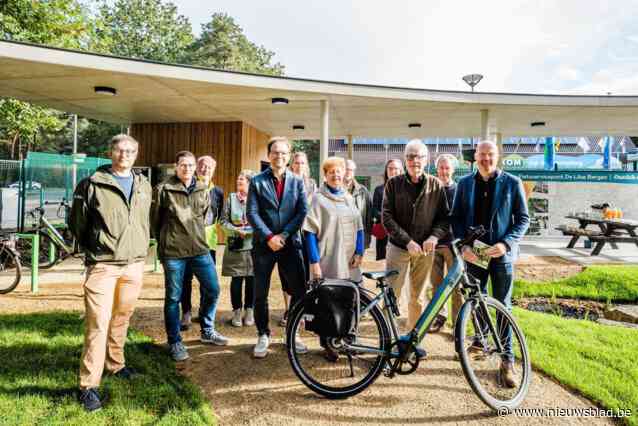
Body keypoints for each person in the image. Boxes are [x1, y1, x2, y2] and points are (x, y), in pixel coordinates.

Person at [70, 134, 152, 412]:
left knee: (121, 317)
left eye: (130, 150)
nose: (124, 154)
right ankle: (88, 386)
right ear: (110, 152)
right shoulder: (92, 183)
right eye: (119, 149)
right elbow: (78, 222)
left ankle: (115, 365)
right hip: (103, 264)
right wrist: (94, 248)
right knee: (98, 323)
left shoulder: (144, 184)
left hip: (134, 263)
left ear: (136, 153)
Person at [450, 140, 530, 388]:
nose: (486, 159)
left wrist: (506, 244)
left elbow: (523, 219)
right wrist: (463, 246)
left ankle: (507, 360)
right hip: (475, 255)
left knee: (503, 306)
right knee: (477, 301)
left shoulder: (512, 183)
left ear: (498, 157)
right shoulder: (464, 184)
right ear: (475, 157)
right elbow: (456, 219)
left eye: (490, 155)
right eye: (482, 154)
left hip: (500, 255)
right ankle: (481, 341)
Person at [152, 151, 229, 362]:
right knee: (173, 298)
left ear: (195, 168)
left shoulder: (203, 189)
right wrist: (165, 243)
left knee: (213, 289)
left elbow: (203, 216)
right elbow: (155, 222)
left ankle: (207, 329)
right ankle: (175, 340)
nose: (187, 169)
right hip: (173, 252)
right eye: (183, 165)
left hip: (199, 249)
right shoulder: (163, 189)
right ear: (176, 167)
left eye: (190, 165)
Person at [247, 136, 308, 358]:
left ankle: (293, 333)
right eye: (275, 152)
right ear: (269, 155)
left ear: (288, 155)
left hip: (290, 244)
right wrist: (269, 236)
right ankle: (263, 334)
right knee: (260, 292)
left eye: (283, 152)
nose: (279, 156)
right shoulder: (257, 181)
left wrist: (283, 235)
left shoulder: (297, 181)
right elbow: (252, 213)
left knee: (298, 291)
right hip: (264, 246)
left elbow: (302, 212)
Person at [382, 140, 450, 330]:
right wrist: (407, 241)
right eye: (410, 156)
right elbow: (386, 217)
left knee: (417, 297)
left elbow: (444, 218)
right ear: (405, 160)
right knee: (391, 295)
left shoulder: (436, 185)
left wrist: (434, 237)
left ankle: (413, 339)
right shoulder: (393, 184)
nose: (415, 161)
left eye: (419, 156)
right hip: (398, 248)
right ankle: (387, 340)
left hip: (424, 251)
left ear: (426, 160)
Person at [180, 156, 223, 331]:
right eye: (202, 166)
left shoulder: (218, 191)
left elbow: (218, 214)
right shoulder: (189, 187)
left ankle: (204, 311)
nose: (205, 169)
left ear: (214, 170)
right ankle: (186, 313)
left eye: (209, 167)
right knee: (186, 279)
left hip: (208, 243)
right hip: (188, 241)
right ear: (197, 168)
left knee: (208, 282)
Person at [304, 156, 364, 281]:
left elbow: (359, 228)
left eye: (338, 171)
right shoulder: (317, 199)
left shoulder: (349, 198)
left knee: (352, 295)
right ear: (325, 175)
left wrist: (359, 252)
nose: (335, 175)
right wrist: (314, 263)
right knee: (330, 296)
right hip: (328, 260)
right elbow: (309, 233)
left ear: (343, 173)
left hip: (350, 260)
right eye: (331, 172)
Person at [279, 152, 318, 326]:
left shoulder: (312, 184)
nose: (300, 165)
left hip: (306, 233)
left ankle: (302, 308)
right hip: (288, 232)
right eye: (297, 162)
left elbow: (315, 208)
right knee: (287, 274)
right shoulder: (286, 182)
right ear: (291, 164)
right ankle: (288, 309)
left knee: (304, 272)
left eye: (303, 162)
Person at [428, 154, 462, 332]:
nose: (444, 171)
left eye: (447, 168)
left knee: (457, 287)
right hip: (434, 246)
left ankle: (458, 324)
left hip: (453, 246)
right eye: (441, 167)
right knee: (436, 285)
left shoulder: (459, 190)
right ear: (436, 169)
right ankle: (439, 317)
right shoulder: (431, 191)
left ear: (453, 170)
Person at [221, 169, 256, 327]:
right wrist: (236, 230)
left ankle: (249, 312)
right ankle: (236, 312)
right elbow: (223, 221)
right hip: (236, 245)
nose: (239, 181)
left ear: (250, 182)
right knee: (236, 280)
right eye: (238, 178)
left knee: (252, 280)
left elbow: (263, 220)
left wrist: (252, 231)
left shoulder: (257, 199)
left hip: (254, 246)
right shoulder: (231, 198)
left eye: (242, 179)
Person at [372, 159, 403, 260]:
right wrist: (387, 218)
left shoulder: (406, 189)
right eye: (390, 168)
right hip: (383, 231)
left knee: (399, 262)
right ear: (386, 171)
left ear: (400, 171)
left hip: (400, 233)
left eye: (396, 169)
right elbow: (374, 210)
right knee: (382, 261)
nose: (393, 171)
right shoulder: (379, 189)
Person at [344, 159, 372, 251]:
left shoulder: (363, 191)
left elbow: (369, 217)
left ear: (354, 172)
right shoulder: (334, 189)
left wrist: (366, 241)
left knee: (355, 265)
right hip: (339, 238)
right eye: (346, 169)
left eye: (351, 170)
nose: (348, 172)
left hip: (357, 238)